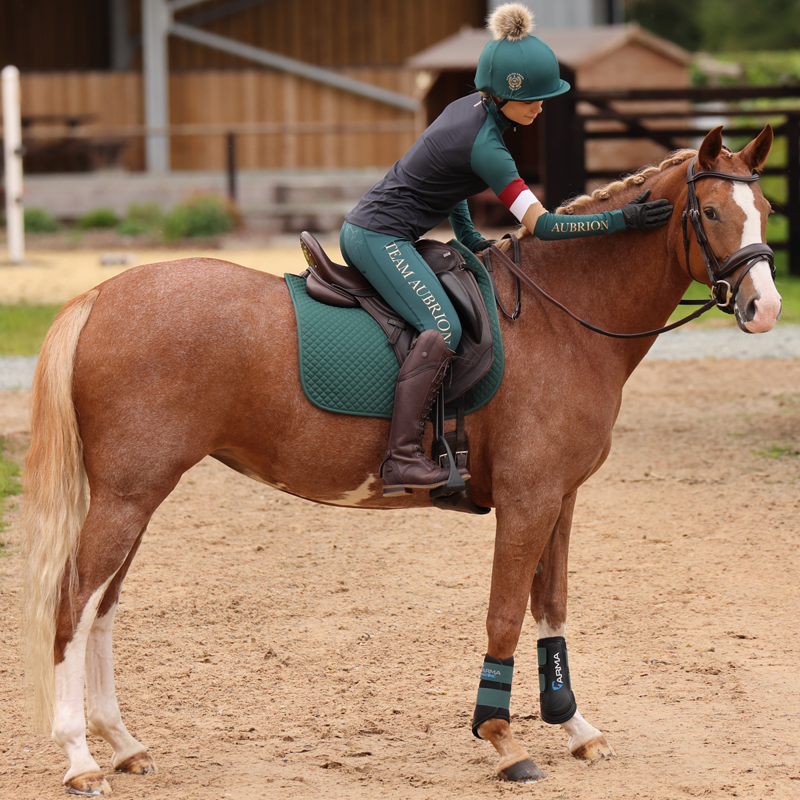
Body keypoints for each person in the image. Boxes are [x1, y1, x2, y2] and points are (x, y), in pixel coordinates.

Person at [339, 2, 673, 496]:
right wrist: (621, 219)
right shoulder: (489, 148)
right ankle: (402, 456)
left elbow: (448, 181)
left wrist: (470, 236)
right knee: (444, 325)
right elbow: (546, 227)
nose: (542, 106)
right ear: (501, 95)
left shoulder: (467, 111)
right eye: (534, 98)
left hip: (386, 231)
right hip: (378, 238)